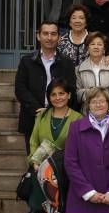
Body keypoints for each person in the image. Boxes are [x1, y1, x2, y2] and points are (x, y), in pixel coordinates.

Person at [25, 79, 81, 213]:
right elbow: (33, 141)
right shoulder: (42, 116)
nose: (58, 97)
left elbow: (79, 148)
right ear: (49, 98)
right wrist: (34, 161)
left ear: (69, 95)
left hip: (64, 170)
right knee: (40, 172)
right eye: (53, 94)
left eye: (61, 93)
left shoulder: (78, 118)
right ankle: (38, 211)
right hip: (41, 166)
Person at [15, 21, 77, 153]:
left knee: (58, 163)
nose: (49, 37)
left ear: (59, 37)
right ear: (38, 36)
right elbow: (20, 89)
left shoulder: (67, 62)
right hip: (32, 117)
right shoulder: (27, 61)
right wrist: (37, 109)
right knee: (35, 161)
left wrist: (56, 111)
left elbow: (71, 89)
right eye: (45, 33)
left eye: (53, 34)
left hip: (60, 118)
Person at [75, 32, 109, 112]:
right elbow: (78, 94)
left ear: (104, 49)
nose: (96, 47)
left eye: (99, 44)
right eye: (92, 44)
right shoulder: (79, 69)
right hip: (88, 110)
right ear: (87, 48)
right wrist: (92, 93)